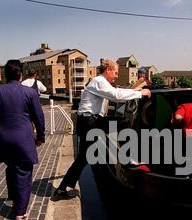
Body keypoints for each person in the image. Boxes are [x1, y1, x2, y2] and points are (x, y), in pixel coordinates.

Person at [53, 59, 151, 200]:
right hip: (89, 122)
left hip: (91, 121)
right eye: (115, 72)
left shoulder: (101, 82)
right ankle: (128, 157)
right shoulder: (99, 81)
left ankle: (62, 189)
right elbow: (116, 96)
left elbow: (116, 91)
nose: (116, 76)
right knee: (123, 122)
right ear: (108, 70)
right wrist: (140, 93)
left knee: (84, 157)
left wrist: (133, 90)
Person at [0, 60, 45, 220]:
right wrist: (40, 137)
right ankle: (19, 212)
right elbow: (38, 116)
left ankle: (13, 197)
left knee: (11, 167)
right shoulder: (30, 93)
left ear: (5, 75)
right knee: (24, 172)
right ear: (20, 75)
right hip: (23, 138)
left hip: (4, 138)